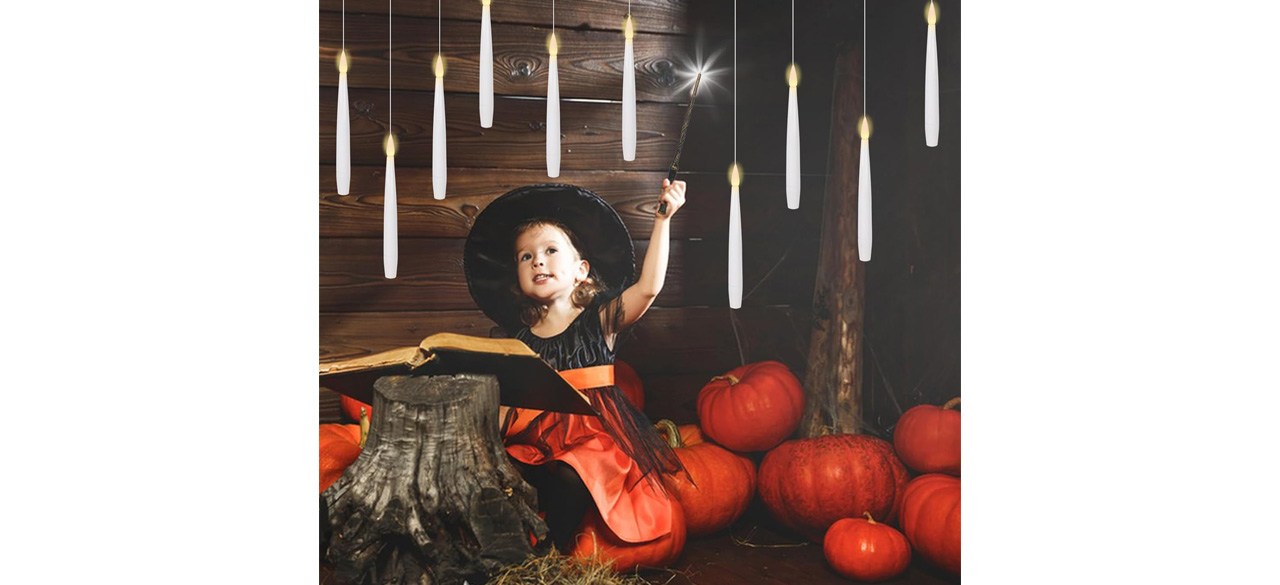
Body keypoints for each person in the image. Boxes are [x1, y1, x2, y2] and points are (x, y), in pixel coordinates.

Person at [462, 181, 688, 554]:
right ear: (518, 279)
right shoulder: (521, 340)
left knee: (574, 473)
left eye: (551, 250)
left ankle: (549, 553)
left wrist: (662, 220)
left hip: (592, 437)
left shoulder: (599, 320)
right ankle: (510, 545)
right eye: (525, 257)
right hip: (539, 437)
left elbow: (648, 288)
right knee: (510, 472)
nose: (538, 261)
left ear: (581, 269)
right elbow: (511, 400)